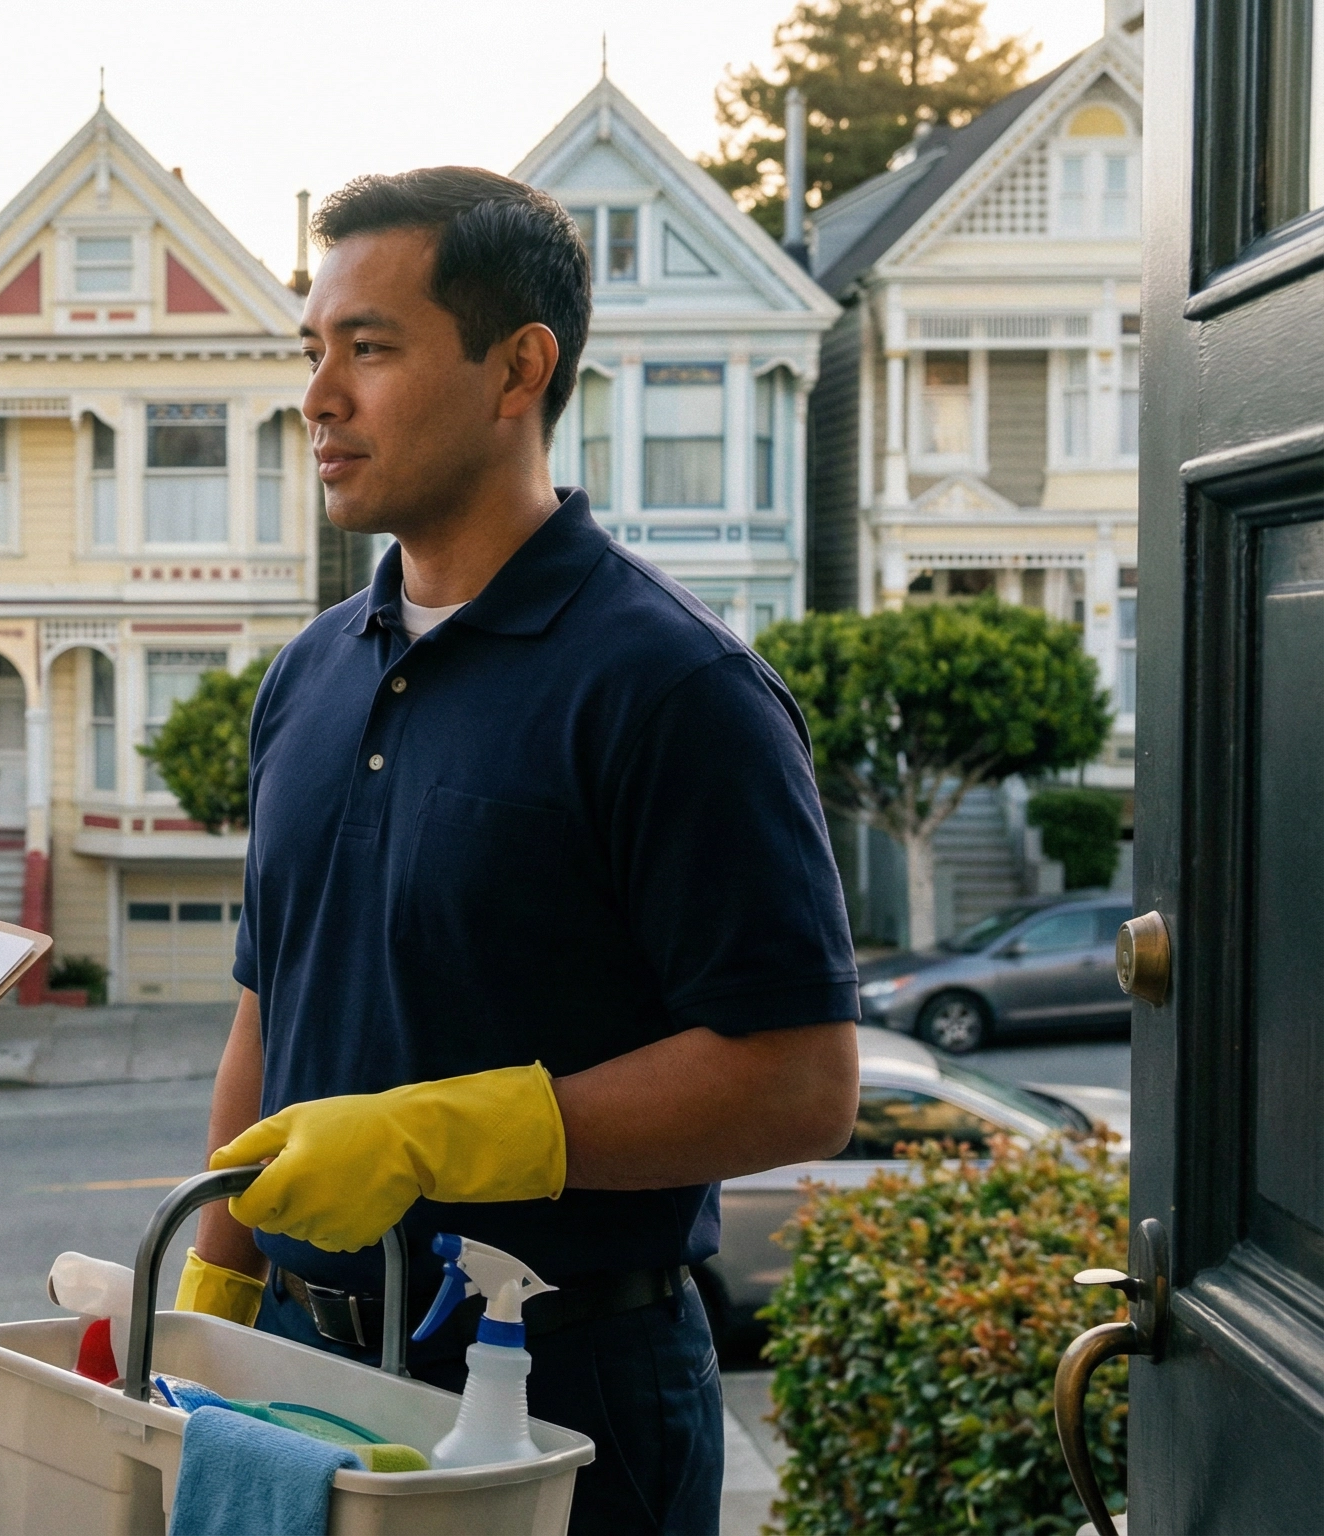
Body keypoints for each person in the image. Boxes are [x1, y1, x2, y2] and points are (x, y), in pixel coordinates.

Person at [171, 169, 860, 1535]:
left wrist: (444, 1136)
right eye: (313, 353)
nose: (318, 398)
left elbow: (799, 1081)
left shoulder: (674, 689)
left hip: (566, 1392)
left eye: (368, 349)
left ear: (518, 370)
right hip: (299, 1379)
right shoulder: (307, 677)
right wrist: (206, 1300)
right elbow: (272, 1004)